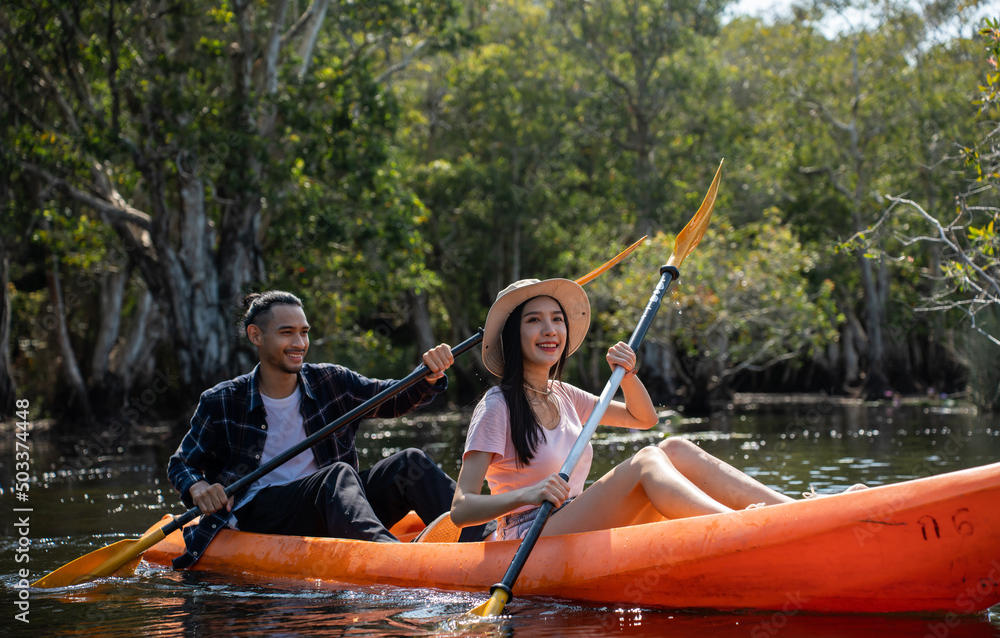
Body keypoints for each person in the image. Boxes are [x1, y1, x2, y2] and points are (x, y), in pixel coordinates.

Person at [450, 278, 858, 541]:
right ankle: (740, 531)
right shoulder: (497, 406)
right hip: (528, 533)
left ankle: (800, 512)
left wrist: (627, 375)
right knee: (647, 460)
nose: (550, 330)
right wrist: (531, 492)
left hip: (571, 519)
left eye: (556, 319)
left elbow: (642, 419)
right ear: (513, 335)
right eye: (534, 321)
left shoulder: (564, 394)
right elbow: (462, 509)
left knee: (675, 447)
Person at [167, 290, 483, 568]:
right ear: (255, 335)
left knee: (410, 463)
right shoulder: (222, 399)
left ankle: (483, 537)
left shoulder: (330, 381)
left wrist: (427, 375)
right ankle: (389, 558)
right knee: (336, 475)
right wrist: (197, 488)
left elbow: (394, 397)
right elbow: (181, 463)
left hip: (338, 504)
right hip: (262, 514)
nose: (299, 343)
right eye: (286, 333)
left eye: (304, 332)